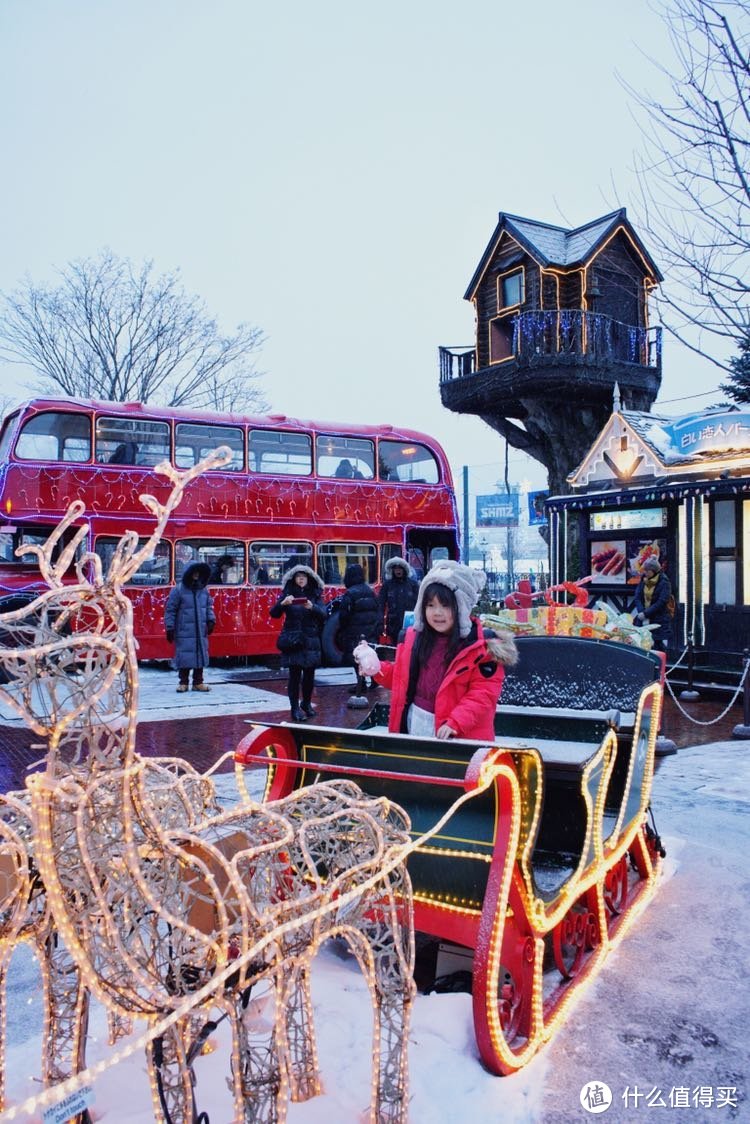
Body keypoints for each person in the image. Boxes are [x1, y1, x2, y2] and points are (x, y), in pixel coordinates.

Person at [355, 561, 517, 739]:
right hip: (415, 725)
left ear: (461, 607)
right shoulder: (415, 640)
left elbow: (483, 695)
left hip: (459, 736)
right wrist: (377, 669)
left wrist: (456, 722)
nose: (437, 612)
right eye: (430, 605)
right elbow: (403, 679)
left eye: (445, 605)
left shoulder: (482, 648)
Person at [270, 564, 327, 721]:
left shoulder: (315, 595)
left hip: (310, 640)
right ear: (294, 579)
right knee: (294, 677)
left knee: (309, 676)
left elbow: (324, 614)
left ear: (308, 579)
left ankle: (306, 704)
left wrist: (312, 607)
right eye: (298, 576)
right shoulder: (287, 594)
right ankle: (294, 708)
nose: (301, 579)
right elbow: (273, 613)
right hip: (293, 640)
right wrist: (283, 604)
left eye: (304, 576)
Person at [164, 562, 215, 692]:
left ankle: (198, 682)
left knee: (200, 654)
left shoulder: (203, 590)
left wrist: (211, 620)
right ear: (189, 573)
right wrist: (170, 627)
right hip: (184, 629)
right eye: (194, 572)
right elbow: (170, 610)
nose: (196, 575)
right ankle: (183, 682)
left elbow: (209, 607)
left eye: (198, 572)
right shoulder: (178, 590)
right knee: (185, 655)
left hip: (200, 629)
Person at [337, 562, 380, 707]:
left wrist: (345, 630)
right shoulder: (370, 591)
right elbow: (376, 611)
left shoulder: (350, 594)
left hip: (354, 632)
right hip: (369, 632)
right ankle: (375, 681)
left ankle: (360, 685)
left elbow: (344, 616)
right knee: (370, 657)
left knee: (357, 659)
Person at [632, 557, 673, 651]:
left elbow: (662, 601)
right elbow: (637, 597)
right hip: (643, 617)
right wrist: (641, 611)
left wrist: (646, 613)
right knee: (641, 641)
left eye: (647, 570)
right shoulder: (644, 580)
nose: (645, 572)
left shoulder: (664, 582)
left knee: (657, 643)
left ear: (654, 571)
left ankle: (661, 662)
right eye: (644, 570)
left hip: (658, 618)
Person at [378, 556, 419, 645]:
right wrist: (380, 624)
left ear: (404, 569)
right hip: (393, 624)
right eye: (395, 568)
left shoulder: (413, 585)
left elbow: (419, 604)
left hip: (410, 623)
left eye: (400, 568)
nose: (398, 571)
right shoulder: (387, 585)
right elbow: (380, 605)